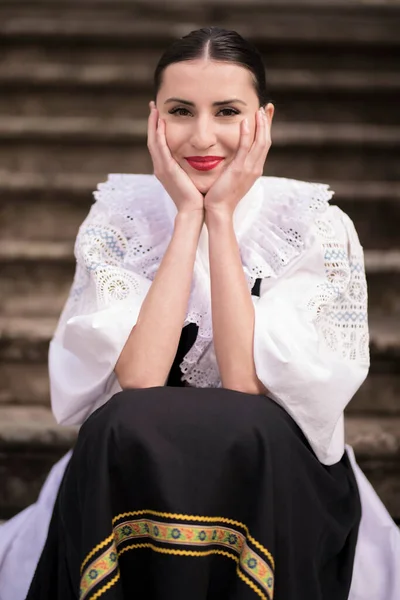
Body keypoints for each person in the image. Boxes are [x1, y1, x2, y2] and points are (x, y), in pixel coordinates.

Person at [0, 26, 399, 600]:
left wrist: (222, 219)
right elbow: (138, 378)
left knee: (248, 433)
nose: (203, 136)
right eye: (182, 111)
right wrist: (189, 214)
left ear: (263, 120)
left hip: (272, 469)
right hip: (140, 466)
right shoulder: (118, 220)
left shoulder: (315, 226)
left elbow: (243, 384)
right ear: (154, 119)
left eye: (228, 111)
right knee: (123, 423)